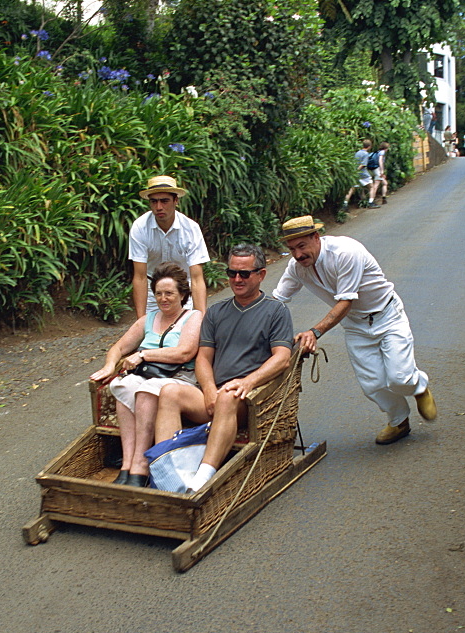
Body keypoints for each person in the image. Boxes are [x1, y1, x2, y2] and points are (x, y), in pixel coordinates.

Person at [272, 216, 437, 445]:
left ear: (316, 237)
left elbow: (345, 301)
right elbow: (277, 300)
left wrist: (314, 332)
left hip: (387, 315)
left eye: (302, 246)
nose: (298, 254)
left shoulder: (345, 252)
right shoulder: (297, 268)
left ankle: (419, 387)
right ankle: (399, 421)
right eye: (292, 249)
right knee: (373, 384)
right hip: (355, 326)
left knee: (399, 377)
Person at [153, 243, 294, 491]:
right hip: (214, 395)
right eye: (232, 273)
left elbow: (282, 357)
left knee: (229, 395)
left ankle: (201, 481)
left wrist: (247, 382)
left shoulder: (276, 311)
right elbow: (204, 358)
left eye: (244, 273)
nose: (237, 279)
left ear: (261, 274)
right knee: (170, 392)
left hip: (248, 399)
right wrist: (208, 389)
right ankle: (169, 474)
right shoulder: (216, 312)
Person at [89, 263, 202, 487]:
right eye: (158, 293)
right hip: (149, 377)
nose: (163, 298)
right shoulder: (148, 320)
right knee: (125, 386)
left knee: (144, 389)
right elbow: (118, 348)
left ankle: (141, 465)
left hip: (180, 378)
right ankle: (127, 464)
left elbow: (184, 352)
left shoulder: (193, 317)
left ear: (182, 294)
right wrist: (110, 366)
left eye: (169, 293)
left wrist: (143, 355)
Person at [129, 175, 210, 319]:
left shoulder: (191, 229)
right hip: (153, 289)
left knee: (185, 331)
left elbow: (197, 278)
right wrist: (140, 321)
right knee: (151, 333)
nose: (159, 207)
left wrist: (201, 320)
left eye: (165, 201)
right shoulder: (140, 227)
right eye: (154, 201)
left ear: (176, 201)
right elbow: (140, 277)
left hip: (183, 288)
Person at [342, 139, 377, 210]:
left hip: (356, 175)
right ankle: (371, 202)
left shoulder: (357, 153)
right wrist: (357, 171)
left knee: (352, 189)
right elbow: (363, 165)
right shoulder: (366, 154)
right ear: (369, 146)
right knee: (371, 187)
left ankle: (345, 204)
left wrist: (354, 172)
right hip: (363, 174)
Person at [368, 141, 390, 205]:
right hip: (377, 169)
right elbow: (380, 161)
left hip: (374, 169)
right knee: (377, 184)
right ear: (386, 148)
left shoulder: (377, 152)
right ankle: (372, 200)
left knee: (384, 183)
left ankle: (383, 198)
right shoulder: (382, 152)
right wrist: (382, 171)